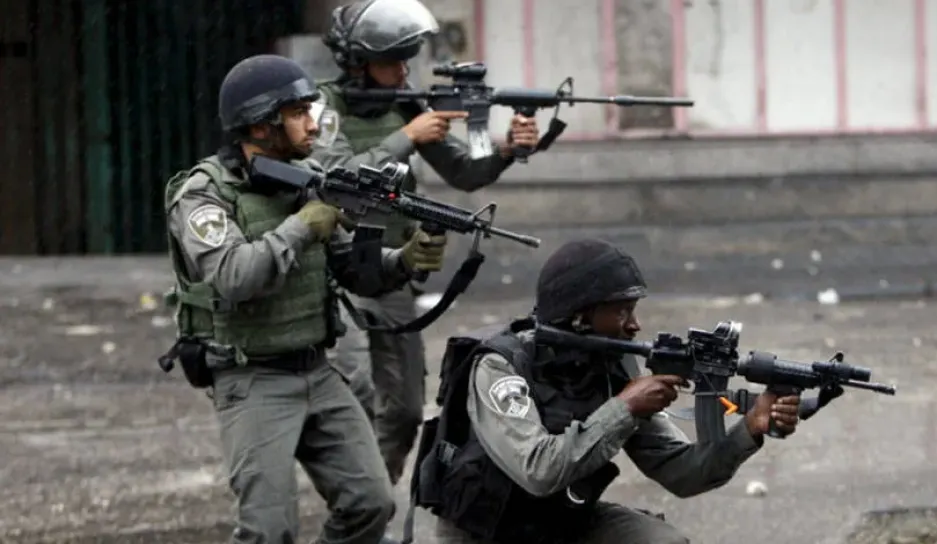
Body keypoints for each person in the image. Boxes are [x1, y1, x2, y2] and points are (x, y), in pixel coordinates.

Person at [162, 53, 450, 544]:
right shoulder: (204, 193)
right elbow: (233, 277)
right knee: (269, 530)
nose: (313, 124)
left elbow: (353, 271)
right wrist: (301, 227)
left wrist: (404, 260)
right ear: (260, 125)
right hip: (252, 377)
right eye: (297, 113)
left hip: (317, 370)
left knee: (370, 504)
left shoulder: (309, 176)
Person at [413, 238, 802, 544]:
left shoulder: (611, 366)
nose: (634, 326)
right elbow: (538, 470)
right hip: (487, 534)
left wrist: (748, 428)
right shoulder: (501, 366)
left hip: (559, 523)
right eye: (621, 311)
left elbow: (681, 472)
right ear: (580, 315)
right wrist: (624, 408)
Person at [313, 0, 543, 487]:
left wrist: (507, 147)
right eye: (391, 61)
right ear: (357, 62)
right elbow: (336, 177)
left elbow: (464, 171)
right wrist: (406, 136)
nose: (403, 72)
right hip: (337, 273)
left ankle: (369, 504)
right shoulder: (322, 108)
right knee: (355, 393)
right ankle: (356, 506)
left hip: (392, 270)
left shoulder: (405, 105)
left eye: (406, 60)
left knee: (403, 412)